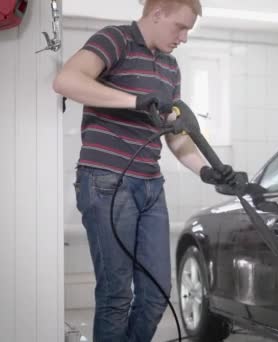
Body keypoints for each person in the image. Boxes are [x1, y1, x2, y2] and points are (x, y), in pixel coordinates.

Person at [53, 1, 238, 341]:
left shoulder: (170, 67)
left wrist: (207, 172)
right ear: (157, 14)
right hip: (106, 180)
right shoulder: (115, 40)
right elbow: (66, 80)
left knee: (156, 293)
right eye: (179, 27)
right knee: (116, 295)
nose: (183, 37)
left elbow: (177, 136)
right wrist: (135, 100)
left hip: (150, 186)